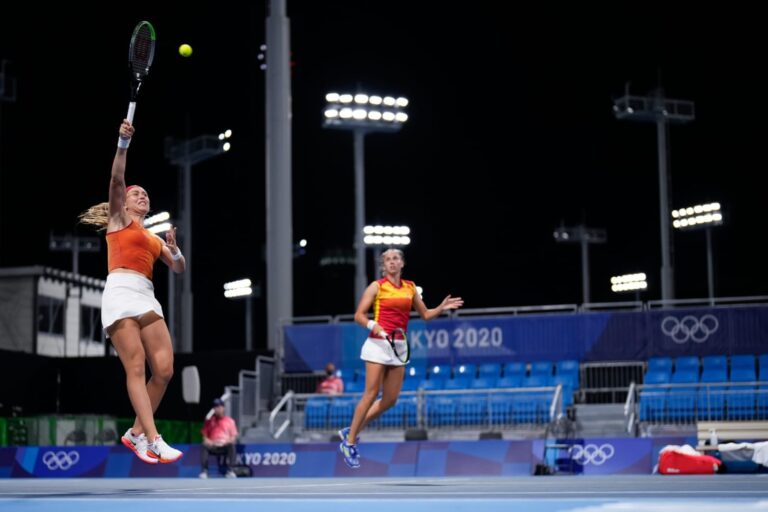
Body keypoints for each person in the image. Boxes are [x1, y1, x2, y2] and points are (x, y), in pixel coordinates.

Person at [79, 119, 185, 464]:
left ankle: (135, 433)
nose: (142, 195)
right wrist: (122, 144)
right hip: (120, 291)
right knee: (136, 366)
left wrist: (175, 248)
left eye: (145, 194)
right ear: (123, 204)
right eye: (135, 193)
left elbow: (179, 268)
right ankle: (153, 437)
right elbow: (116, 179)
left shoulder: (154, 239)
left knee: (165, 370)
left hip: (146, 294)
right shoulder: (117, 221)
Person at [338, 248, 463, 468]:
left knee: (390, 400)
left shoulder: (410, 288)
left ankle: (353, 428)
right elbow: (359, 315)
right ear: (383, 266)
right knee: (370, 394)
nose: (392, 262)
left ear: (402, 263)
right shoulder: (376, 287)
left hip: (398, 346)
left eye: (396, 258)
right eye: (387, 260)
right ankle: (349, 443)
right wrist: (372, 325)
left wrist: (441, 308)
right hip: (377, 344)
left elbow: (425, 315)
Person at [199, 398, 239, 479]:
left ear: (223, 408)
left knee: (231, 446)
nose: (217, 409)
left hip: (225, 445)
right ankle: (204, 471)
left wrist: (227, 441)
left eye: (219, 406)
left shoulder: (230, 421)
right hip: (213, 446)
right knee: (204, 445)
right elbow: (204, 437)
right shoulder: (209, 421)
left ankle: (230, 471)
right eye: (215, 407)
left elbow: (234, 437)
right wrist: (210, 442)